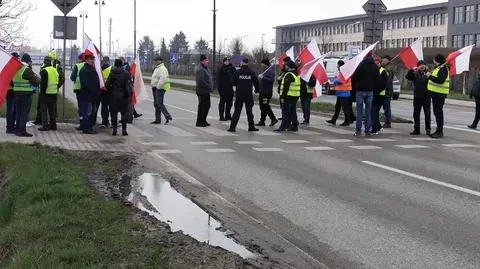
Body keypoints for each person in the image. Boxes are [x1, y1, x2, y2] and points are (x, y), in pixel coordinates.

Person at [228, 58, 259, 132]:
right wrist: (256, 90)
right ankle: (251, 127)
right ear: (247, 63)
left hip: (239, 94)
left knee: (237, 111)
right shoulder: (251, 72)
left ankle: (232, 127)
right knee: (249, 111)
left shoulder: (237, 72)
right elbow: (256, 82)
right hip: (248, 95)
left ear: (242, 63)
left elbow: (232, 82)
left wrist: (238, 84)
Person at [12, 53, 40, 137]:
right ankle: (22, 131)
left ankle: (17, 130)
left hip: (16, 93)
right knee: (24, 113)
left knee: (18, 113)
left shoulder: (16, 68)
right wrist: (38, 77)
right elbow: (35, 83)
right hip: (26, 94)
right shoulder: (26, 69)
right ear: (28, 61)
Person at [352, 54, 379, 137]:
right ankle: (367, 131)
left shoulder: (361, 66)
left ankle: (358, 131)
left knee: (359, 112)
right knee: (368, 112)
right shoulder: (375, 67)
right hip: (370, 91)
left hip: (360, 90)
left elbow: (354, 77)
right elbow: (378, 79)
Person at [106, 59, 132, 136]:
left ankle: (114, 129)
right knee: (124, 113)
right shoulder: (126, 74)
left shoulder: (112, 73)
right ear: (122, 65)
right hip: (124, 96)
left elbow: (107, 85)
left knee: (113, 113)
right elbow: (129, 84)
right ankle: (124, 130)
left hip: (113, 96)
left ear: (115, 64)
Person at [427, 54, 450, 138]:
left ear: (437, 60)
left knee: (438, 113)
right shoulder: (439, 68)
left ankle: (439, 131)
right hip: (436, 94)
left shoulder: (443, 68)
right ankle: (438, 130)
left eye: (434, 59)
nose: (433, 61)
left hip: (439, 94)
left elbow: (440, 80)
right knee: (437, 113)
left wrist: (430, 76)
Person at [38, 56, 64, 131]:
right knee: (52, 110)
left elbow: (43, 84)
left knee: (44, 110)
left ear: (44, 62)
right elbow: (59, 80)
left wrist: (42, 93)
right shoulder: (54, 70)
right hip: (54, 93)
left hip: (46, 93)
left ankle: (45, 125)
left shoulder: (44, 71)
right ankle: (53, 125)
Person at [405, 60, 431, 135]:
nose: (422, 66)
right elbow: (408, 76)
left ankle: (428, 129)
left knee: (427, 113)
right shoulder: (415, 74)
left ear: (425, 66)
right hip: (417, 96)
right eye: (420, 65)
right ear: (418, 66)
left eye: (423, 65)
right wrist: (411, 70)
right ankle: (416, 129)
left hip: (426, 96)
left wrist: (430, 76)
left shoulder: (428, 74)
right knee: (416, 114)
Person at [275, 59, 300, 132]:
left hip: (288, 96)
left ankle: (283, 127)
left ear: (289, 66)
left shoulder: (289, 75)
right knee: (292, 112)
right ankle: (295, 125)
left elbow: (286, 87)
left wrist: (282, 97)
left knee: (285, 112)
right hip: (295, 96)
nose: (285, 66)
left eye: (286, 65)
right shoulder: (296, 74)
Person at [79, 53, 101, 134]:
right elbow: (86, 84)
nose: (92, 61)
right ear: (86, 60)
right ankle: (86, 128)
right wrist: (94, 91)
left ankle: (89, 127)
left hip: (92, 95)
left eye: (93, 59)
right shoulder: (85, 70)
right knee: (88, 112)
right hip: (87, 95)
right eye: (91, 59)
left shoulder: (91, 68)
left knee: (92, 112)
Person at [327, 60, 352, 126]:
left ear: (340, 65)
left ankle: (347, 121)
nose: (337, 66)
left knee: (345, 108)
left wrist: (335, 81)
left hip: (344, 93)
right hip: (341, 93)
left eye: (337, 65)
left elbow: (340, 81)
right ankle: (334, 120)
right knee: (337, 107)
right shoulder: (344, 72)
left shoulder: (344, 72)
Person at [150, 56, 172, 124]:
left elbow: (163, 79)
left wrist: (158, 87)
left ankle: (167, 116)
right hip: (155, 87)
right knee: (156, 104)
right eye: (155, 60)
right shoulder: (157, 68)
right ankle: (157, 119)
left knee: (159, 103)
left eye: (157, 60)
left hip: (160, 88)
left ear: (160, 61)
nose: (155, 61)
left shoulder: (162, 68)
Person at [256, 58, 278, 127]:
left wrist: (263, 78)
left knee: (265, 106)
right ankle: (262, 121)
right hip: (262, 92)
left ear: (266, 64)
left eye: (262, 64)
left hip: (267, 92)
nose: (261, 65)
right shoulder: (264, 71)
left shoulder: (270, 71)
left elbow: (271, 80)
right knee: (262, 107)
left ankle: (273, 119)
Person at [371, 56, 389, 135]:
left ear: (380, 63)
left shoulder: (383, 71)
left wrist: (376, 92)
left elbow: (383, 85)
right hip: (373, 94)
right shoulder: (373, 70)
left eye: (378, 63)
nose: (376, 65)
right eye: (375, 63)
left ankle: (375, 128)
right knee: (373, 111)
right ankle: (377, 126)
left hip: (380, 95)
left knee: (374, 111)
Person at [195, 55, 213, 127]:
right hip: (202, 91)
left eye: (207, 60)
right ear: (202, 61)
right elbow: (201, 81)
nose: (207, 61)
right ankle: (199, 122)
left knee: (207, 106)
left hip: (206, 91)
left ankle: (203, 120)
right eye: (206, 60)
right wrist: (208, 86)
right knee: (202, 106)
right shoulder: (200, 69)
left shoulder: (205, 68)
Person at [5, 52, 20, 134]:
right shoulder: (9, 68)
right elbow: (9, 81)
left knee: (13, 111)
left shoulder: (14, 67)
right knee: (10, 110)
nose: (18, 59)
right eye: (17, 58)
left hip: (14, 92)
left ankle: (11, 126)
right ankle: (9, 128)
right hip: (10, 92)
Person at [71, 53, 85, 130]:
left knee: (81, 107)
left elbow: (72, 77)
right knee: (88, 107)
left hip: (79, 89)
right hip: (88, 90)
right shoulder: (91, 66)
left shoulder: (77, 66)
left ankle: (82, 124)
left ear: (80, 59)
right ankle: (88, 124)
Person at [99, 56, 112, 127]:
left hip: (103, 91)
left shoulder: (100, 69)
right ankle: (112, 122)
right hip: (110, 91)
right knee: (112, 107)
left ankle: (105, 121)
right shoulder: (111, 68)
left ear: (103, 61)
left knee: (104, 107)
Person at [381, 55, 394, 128]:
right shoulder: (384, 68)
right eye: (382, 60)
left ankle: (388, 122)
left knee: (386, 107)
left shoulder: (388, 69)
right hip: (384, 91)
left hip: (387, 91)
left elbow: (388, 82)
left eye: (384, 60)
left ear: (388, 61)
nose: (383, 62)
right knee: (384, 107)